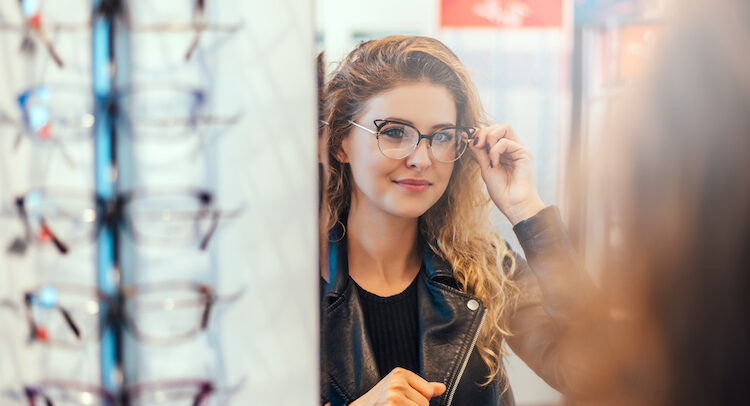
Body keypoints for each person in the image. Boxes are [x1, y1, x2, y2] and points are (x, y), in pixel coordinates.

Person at [318, 36, 595, 406]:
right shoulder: (289, 286)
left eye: (442, 136)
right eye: (395, 132)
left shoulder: (483, 267)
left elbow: (600, 370)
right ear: (341, 142)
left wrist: (525, 209)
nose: (422, 158)